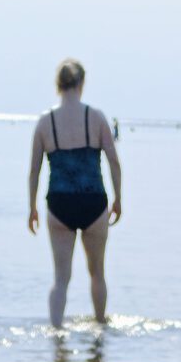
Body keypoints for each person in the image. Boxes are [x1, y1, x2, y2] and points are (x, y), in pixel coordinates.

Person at [28, 58, 122, 328]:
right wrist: (119, 199)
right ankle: (100, 329)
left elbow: (33, 170)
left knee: (60, 279)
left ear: (58, 85)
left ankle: (56, 333)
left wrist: (31, 207)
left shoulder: (45, 122)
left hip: (59, 204)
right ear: (81, 83)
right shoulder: (96, 117)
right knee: (97, 274)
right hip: (94, 202)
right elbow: (114, 161)